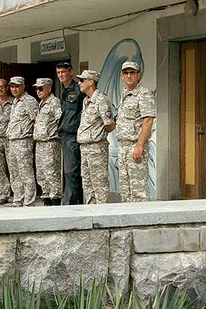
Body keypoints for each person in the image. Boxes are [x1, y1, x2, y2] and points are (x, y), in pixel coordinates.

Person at [116, 61, 156, 202]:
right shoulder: (124, 94)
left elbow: (148, 121)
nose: (129, 76)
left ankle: (143, 216)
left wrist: (139, 146)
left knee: (139, 192)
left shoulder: (143, 94)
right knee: (125, 191)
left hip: (135, 146)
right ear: (121, 76)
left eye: (132, 72)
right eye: (126, 73)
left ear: (138, 75)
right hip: (123, 147)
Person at [75, 70, 115, 204]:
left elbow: (110, 125)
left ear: (91, 81)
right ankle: (90, 211)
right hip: (85, 147)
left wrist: (98, 134)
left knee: (99, 184)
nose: (79, 83)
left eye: (82, 80)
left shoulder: (100, 100)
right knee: (87, 184)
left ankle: (102, 213)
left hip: (96, 147)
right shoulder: (86, 101)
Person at [56, 60, 86, 204]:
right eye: (58, 72)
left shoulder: (78, 90)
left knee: (71, 171)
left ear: (71, 72)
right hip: (65, 136)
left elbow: (82, 112)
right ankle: (72, 202)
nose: (61, 75)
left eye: (63, 72)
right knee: (68, 171)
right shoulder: (64, 91)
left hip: (74, 136)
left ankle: (71, 204)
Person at [6, 76, 38, 206]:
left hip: (23, 141)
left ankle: (29, 201)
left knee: (26, 172)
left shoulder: (29, 101)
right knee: (14, 173)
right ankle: (18, 199)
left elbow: (36, 120)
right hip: (12, 141)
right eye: (12, 86)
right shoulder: (15, 101)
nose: (14, 89)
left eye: (17, 86)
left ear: (23, 86)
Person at [32, 77, 62, 206]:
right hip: (40, 143)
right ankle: (46, 198)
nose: (38, 91)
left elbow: (59, 119)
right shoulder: (41, 103)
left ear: (49, 88)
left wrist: (53, 133)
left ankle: (55, 199)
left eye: (40, 88)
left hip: (50, 143)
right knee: (41, 173)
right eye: (36, 89)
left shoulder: (54, 102)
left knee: (51, 172)